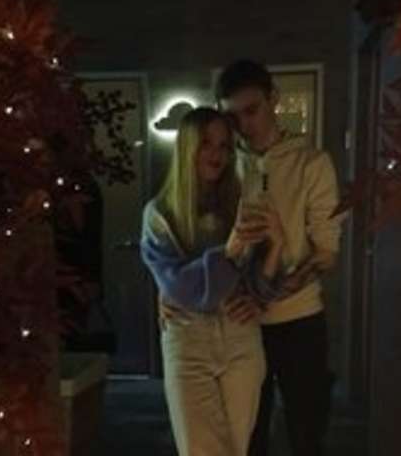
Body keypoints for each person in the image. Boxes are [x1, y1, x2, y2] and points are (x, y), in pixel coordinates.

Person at [140, 107, 285, 456]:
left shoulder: (241, 205)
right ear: (187, 147)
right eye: (206, 143)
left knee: (236, 450)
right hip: (188, 338)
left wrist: (277, 247)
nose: (216, 154)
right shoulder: (160, 215)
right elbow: (186, 291)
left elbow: (259, 287)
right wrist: (231, 250)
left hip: (241, 338)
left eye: (224, 145)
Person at [216, 59, 342, 456]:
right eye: (233, 116)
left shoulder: (312, 163)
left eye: (251, 110)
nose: (244, 124)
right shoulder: (225, 166)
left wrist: (265, 297)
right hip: (240, 322)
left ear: (274, 99)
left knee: (306, 433)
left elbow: (325, 254)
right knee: (247, 435)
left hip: (298, 321)